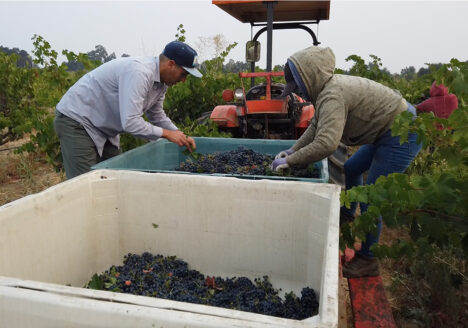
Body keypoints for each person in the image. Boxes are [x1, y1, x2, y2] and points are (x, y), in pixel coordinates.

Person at [271, 46, 422, 278]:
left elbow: (326, 144)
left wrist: (290, 161)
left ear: (310, 77)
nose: (299, 92)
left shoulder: (332, 95)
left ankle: (368, 259)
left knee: (373, 198)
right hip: (385, 130)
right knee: (351, 168)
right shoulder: (325, 91)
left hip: (403, 133)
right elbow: (315, 127)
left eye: (299, 85)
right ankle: (349, 212)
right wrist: (292, 148)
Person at [54, 40, 202, 179]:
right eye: (184, 74)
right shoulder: (139, 72)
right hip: (78, 121)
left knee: (113, 180)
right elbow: (130, 122)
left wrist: (179, 134)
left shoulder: (162, 84)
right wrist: (167, 134)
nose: (183, 80)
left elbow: (157, 115)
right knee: (86, 185)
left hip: (105, 128)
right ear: (171, 64)